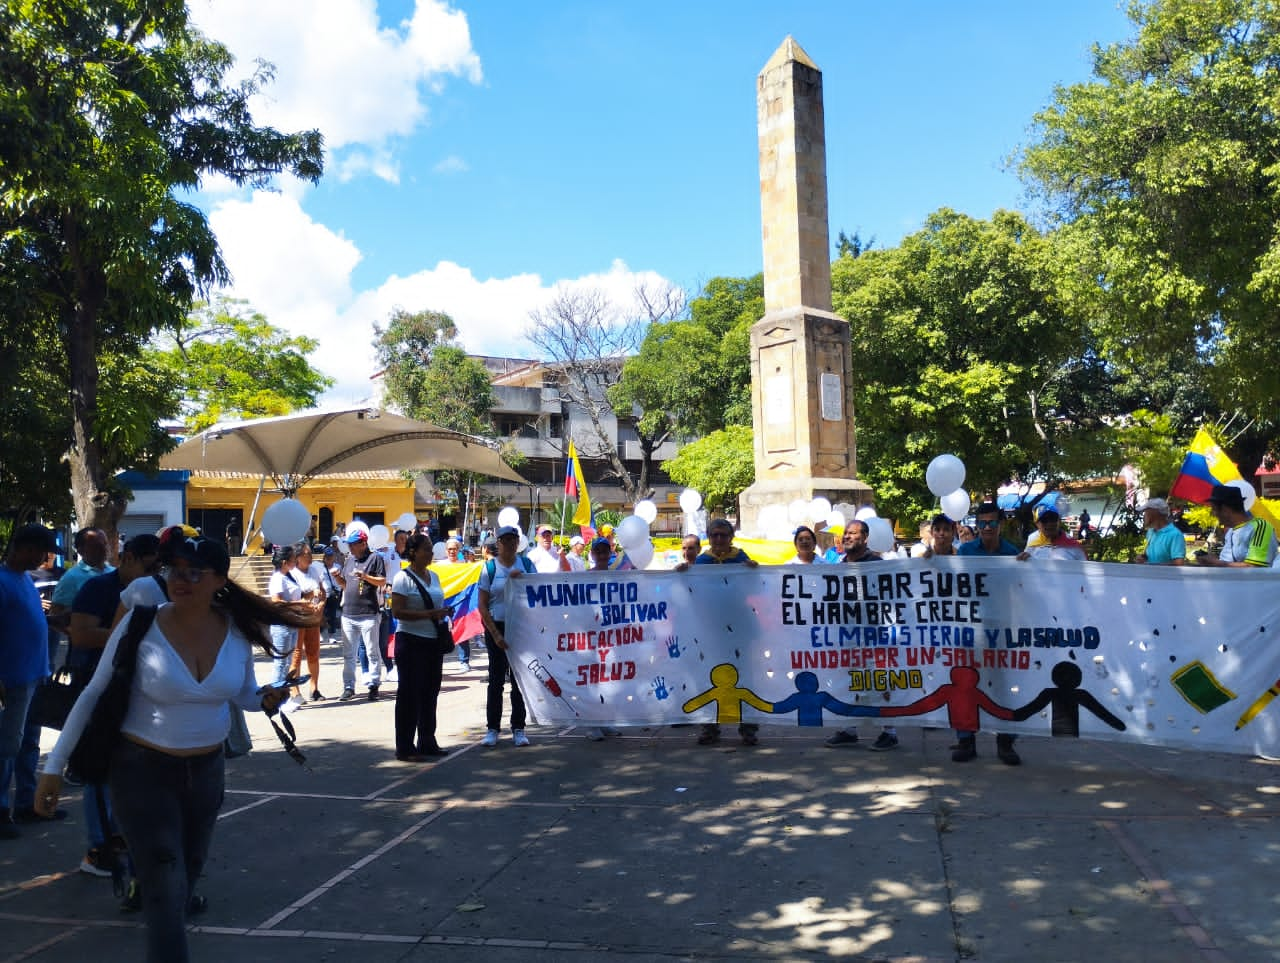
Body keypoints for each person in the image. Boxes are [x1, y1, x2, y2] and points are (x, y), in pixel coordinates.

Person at [36, 536, 312, 963]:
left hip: (205, 773)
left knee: (182, 884)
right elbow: (92, 694)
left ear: (219, 579)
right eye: (173, 569)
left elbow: (243, 694)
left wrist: (267, 699)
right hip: (140, 773)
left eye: (193, 571)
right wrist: (53, 769)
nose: (179, 579)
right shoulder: (140, 623)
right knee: (163, 888)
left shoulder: (236, 631)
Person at [67, 534, 161, 875]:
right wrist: (131, 632)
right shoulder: (97, 589)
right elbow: (80, 634)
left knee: (129, 772)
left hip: (134, 692)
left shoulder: (156, 590)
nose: (156, 574)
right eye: (149, 566)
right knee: (98, 769)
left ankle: (122, 839)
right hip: (98, 687)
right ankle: (98, 848)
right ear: (129, 558)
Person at [676, 518, 761, 746]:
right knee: (709, 675)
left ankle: (748, 728)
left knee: (745, 677)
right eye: (715, 535)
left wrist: (754, 572)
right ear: (709, 538)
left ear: (731, 537)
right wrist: (683, 576)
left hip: (741, 627)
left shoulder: (742, 559)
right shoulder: (702, 562)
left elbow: (757, 588)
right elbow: (691, 593)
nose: (720, 539)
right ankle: (709, 727)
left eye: (724, 535)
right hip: (710, 629)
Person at [0, 525, 58, 841]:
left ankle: (27, 802)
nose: (44, 557)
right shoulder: (2, 581)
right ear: (23, 548)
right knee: (6, 747)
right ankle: (1, 810)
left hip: (35, 675)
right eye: (41, 550)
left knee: (28, 744)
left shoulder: (25, 579)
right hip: (13, 679)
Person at [825, 519, 899, 751]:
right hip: (848, 634)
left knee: (880, 682)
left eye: (853, 533)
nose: (847, 536)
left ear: (865, 538)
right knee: (850, 682)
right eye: (846, 533)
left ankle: (890, 732)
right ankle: (850, 729)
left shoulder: (876, 563)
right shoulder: (839, 564)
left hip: (875, 634)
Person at [389, 533, 454, 761]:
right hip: (410, 641)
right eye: (426, 549)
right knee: (409, 695)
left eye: (431, 549)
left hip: (432, 641)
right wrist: (430, 614)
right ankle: (405, 747)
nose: (431, 553)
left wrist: (443, 612)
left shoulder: (434, 577)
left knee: (430, 693)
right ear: (414, 552)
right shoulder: (402, 578)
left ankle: (427, 741)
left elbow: (437, 602)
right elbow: (397, 612)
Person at [477, 526, 534, 747]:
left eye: (513, 539)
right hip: (497, 626)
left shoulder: (527, 565)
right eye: (505, 540)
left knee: (519, 681)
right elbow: (482, 605)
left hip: (520, 626)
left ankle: (518, 728)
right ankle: (492, 728)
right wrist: (495, 634)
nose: (509, 544)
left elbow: (539, 596)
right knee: (496, 680)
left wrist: (523, 581)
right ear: (498, 543)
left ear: (518, 542)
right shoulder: (489, 568)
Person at [332, 530, 387, 701]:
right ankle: (349, 686)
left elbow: (382, 581)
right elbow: (345, 585)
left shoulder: (375, 558)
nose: (349, 547)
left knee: (372, 651)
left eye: (352, 544)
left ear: (363, 544)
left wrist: (365, 576)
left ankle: (374, 685)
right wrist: (337, 578)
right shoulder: (350, 559)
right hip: (348, 614)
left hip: (369, 613)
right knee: (349, 654)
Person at [1197, 484, 1277, 568]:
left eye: (1214, 509)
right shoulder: (1231, 532)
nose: (1213, 514)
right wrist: (1211, 560)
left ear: (1225, 509)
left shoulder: (1260, 527)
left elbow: (1254, 567)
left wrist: (1216, 563)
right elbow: (1227, 563)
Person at [287, 542, 328, 700]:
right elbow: (294, 598)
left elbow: (323, 592)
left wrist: (321, 606)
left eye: (310, 553)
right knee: (296, 654)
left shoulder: (315, 570)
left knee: (313, 653)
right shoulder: (292, 574)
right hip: (298, 619)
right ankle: (295, 690)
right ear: (297, 558)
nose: (310, 557)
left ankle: (314, 688)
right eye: (307, 554)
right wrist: (310, 595)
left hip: (313, 618)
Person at [266, 545, 301, 686]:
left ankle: (282, 694)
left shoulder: (289, 577)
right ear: (284, 562)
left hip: (292, 623)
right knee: (280, 663)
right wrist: (300, 603)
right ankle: (274, 695)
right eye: (293, 559)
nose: (296, 561)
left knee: (287, 663)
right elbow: (276, 601)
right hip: (281, 625)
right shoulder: (278, 578)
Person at [440, 538, 473, 672]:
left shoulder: (464, 565)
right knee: (441, 631)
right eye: (450, 549)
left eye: (455, 548)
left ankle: (464, 661)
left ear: (458, 550)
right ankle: (438, 661)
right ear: (446, 550)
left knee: (462, 629)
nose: (452, 551)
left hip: (460, 601)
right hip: (444, 601)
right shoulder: (440, 566)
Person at [1017, 507, 1086, 561]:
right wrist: (1025, 558)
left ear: (1059, 521)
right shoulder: (1032, 539)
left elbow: (1084, 573)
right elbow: (1027, 561)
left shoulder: (1074, 546)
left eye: (1053, 519)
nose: (1049, 524)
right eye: (1044, 520)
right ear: (1037, 524)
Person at [1134, 498, 1186, 566]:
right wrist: (1143, 559)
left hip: (1165, 576)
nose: (1144, 516)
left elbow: (1179, 564)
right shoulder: (1151, 532)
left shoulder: (1175, 535)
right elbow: (1152, 557)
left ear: (1154, 513)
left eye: (1146, 512)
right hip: (1149, 575)